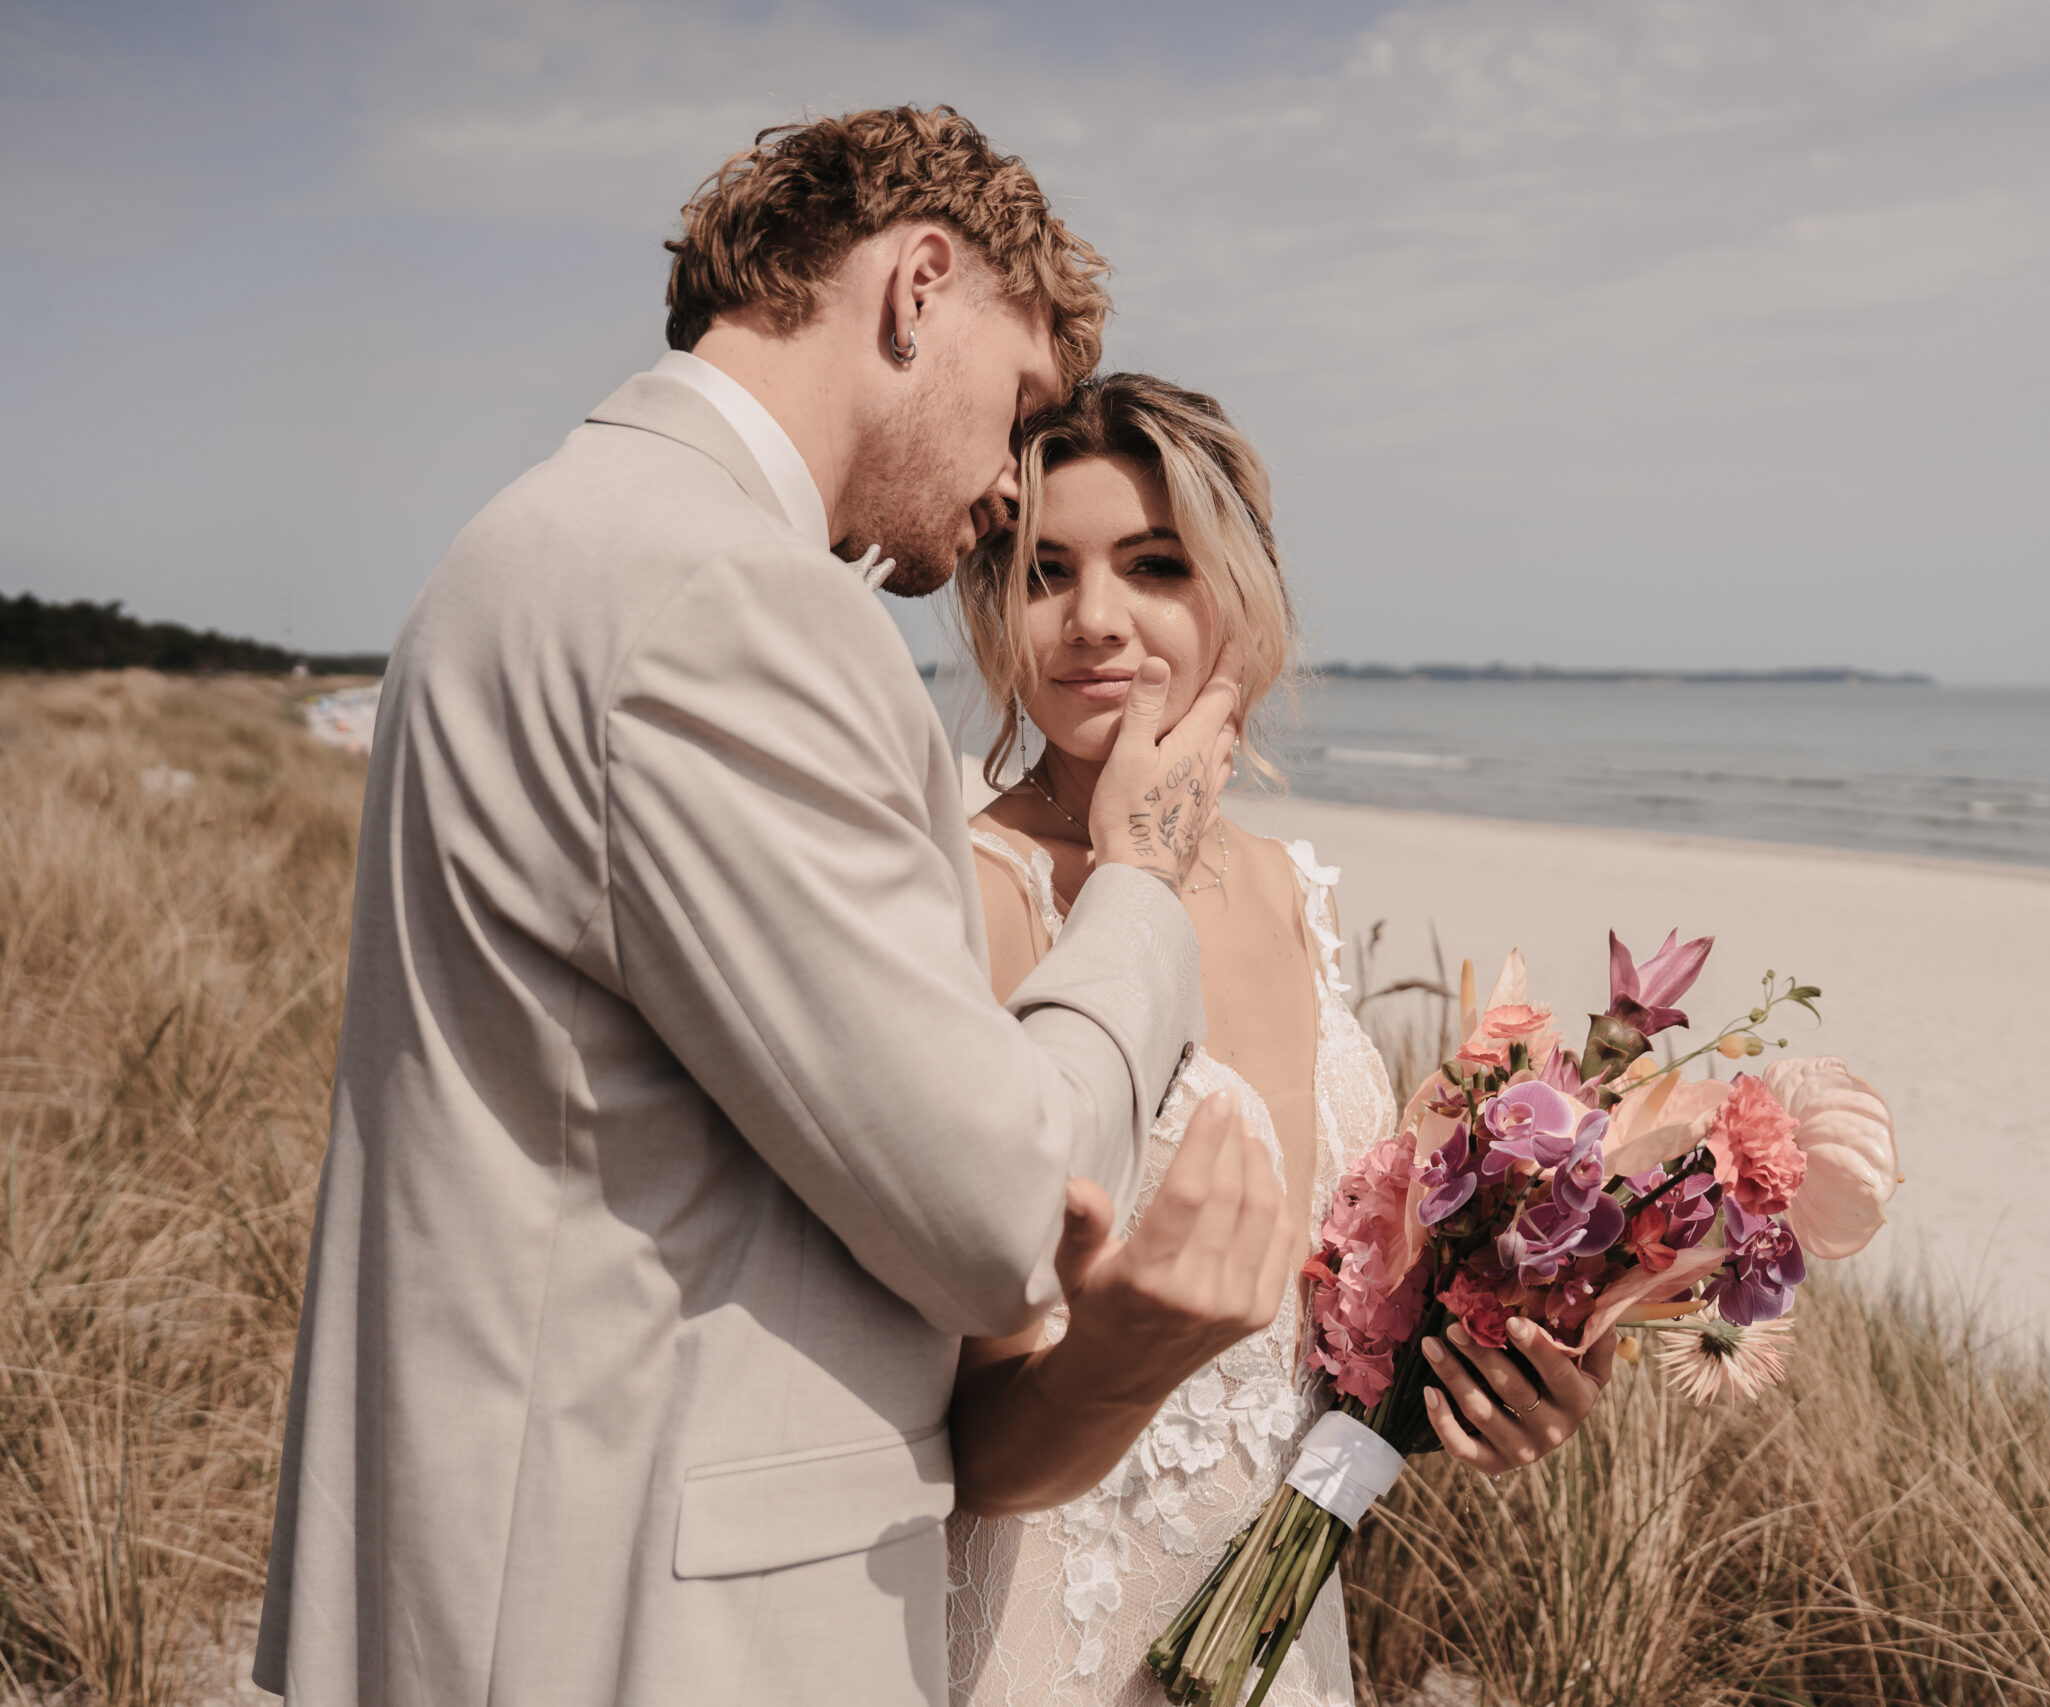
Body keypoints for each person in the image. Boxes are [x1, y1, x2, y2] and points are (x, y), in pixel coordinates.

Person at [251, 108, 1292, 1707]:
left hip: (521, 1558)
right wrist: (1139, 883)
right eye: (1017, 404)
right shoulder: (733, 597)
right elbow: (1000, 1207)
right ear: (916, 288)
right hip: (642, 1628)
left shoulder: (531, 543)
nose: (1008, 487)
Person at [942, 375, 1619, 1705]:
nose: (1096, 621)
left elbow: (1327, 1326)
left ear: (1235, 597)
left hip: (1272, 1642)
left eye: (1154, 565)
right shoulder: (978, 895)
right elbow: (968, 1433)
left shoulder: (1290, 891)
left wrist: (1488, 1378)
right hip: (1045, 1641)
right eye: (1045, 573)